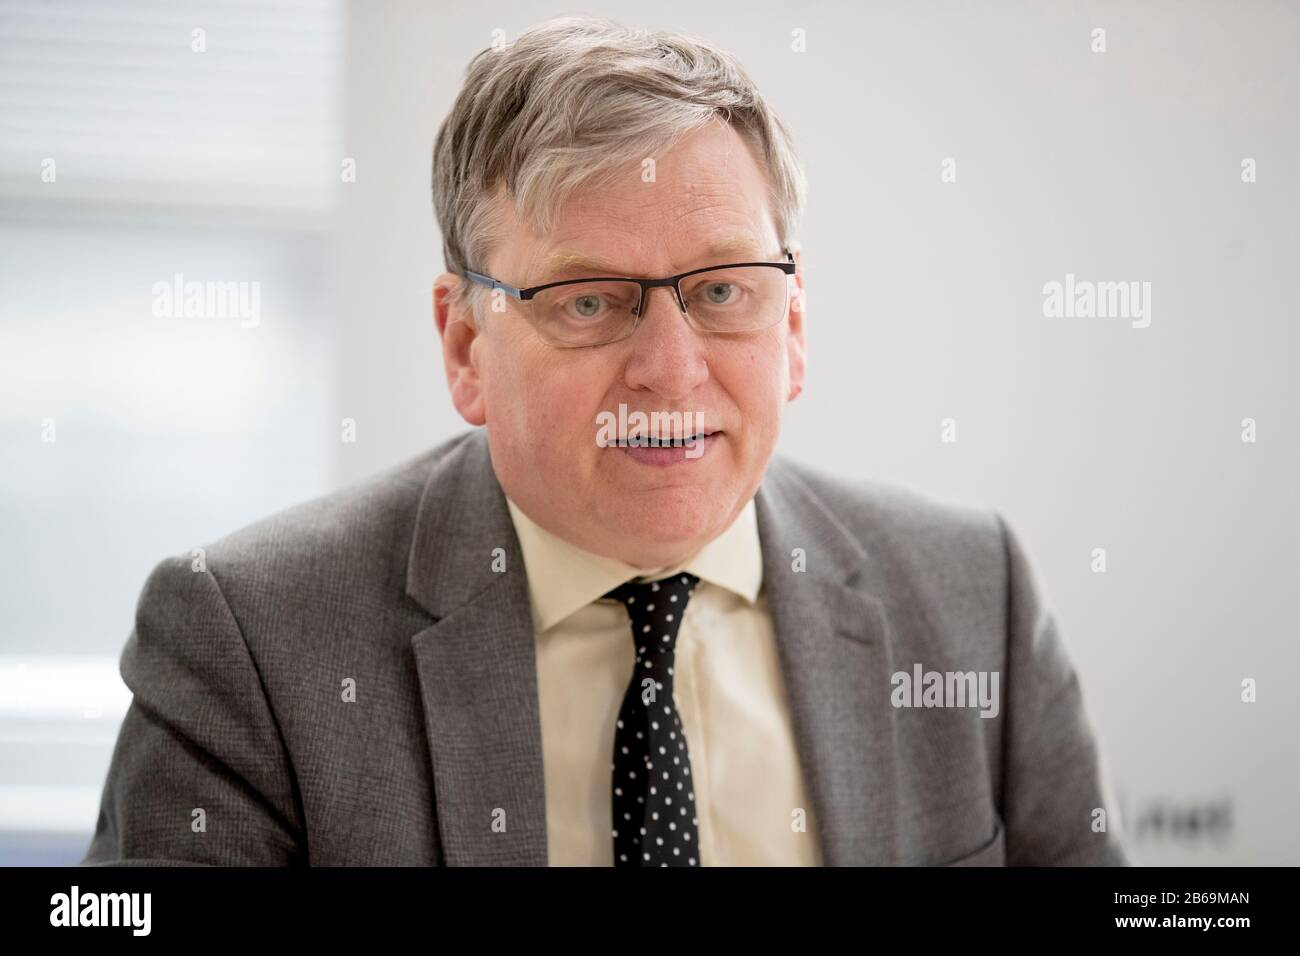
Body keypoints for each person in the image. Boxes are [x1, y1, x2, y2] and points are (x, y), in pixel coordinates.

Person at [83, 15, 1129, 867]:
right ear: (463, 344)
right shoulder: (250, 642)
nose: (670, 369)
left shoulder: (967, 593)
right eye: (588, 301)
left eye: (722, 290)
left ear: (794, 326)